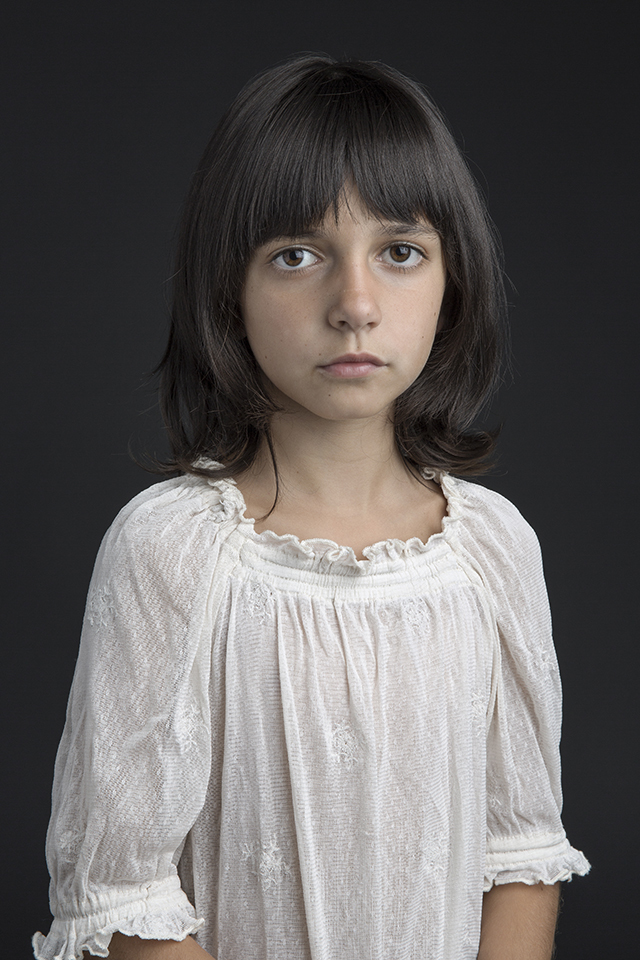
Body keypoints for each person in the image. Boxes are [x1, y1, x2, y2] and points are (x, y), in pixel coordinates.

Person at [33, 55, 589, 960]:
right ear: (229, 290)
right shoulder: (173, 552)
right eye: (297, 256)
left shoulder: (491, 549)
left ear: (452, 287)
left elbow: (518, 851)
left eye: (400, 253)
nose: (356, 305)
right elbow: (122, 896)